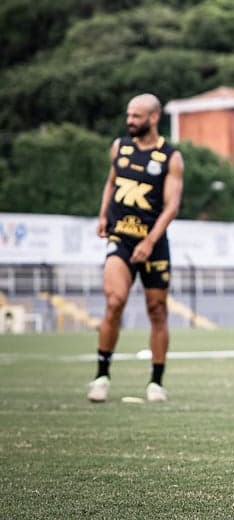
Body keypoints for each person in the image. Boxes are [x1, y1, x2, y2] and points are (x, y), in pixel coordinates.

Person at [88, 93, 184, 403]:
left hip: (153, 242)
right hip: (121, 238)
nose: (129, 121)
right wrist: (103, 214)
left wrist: (149, 242)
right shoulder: (119, 147)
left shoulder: (170, 157)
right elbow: (111, 182)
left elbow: (171, 207)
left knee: (157, 310)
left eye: (136, 116)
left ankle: (156, 382)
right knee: (114, 301)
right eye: (128, 115)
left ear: (153, 118)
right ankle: (101, 376)